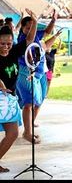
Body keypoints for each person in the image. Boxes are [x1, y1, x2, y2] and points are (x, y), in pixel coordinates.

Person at [0, 12, 37, 172]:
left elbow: (29, 39)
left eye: (9, 43)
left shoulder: (14, 51)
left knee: (13, 133)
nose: (6, 47)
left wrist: (34, 21)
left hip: (9, 98)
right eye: (2, 44)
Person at [16, 9, 57, 143]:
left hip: (40, 72)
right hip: (26, 72)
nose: (30, 30)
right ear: (22, 28)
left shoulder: (36, 36)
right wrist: (35, 20)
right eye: (27, 27)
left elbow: (47, 32)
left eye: (31, 27)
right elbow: (29, 39)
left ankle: (29, 128)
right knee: (29, 103)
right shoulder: (23, 38)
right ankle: (27, 132)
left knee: (38, 101)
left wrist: (53, 20)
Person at [42, 29, 63, 95]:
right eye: (48, 47)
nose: (49, 48)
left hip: (50, 70)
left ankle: (46, 93)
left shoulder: (52, 52)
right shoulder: (44, 53)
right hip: (45, 70)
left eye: (50, 47)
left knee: (49, 81)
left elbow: (59, 48)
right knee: (45, 81)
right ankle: (43, 92)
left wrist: (60, 40)